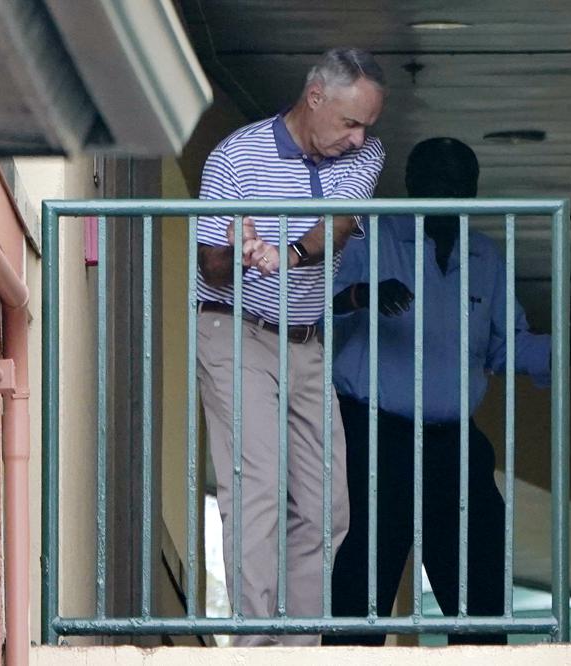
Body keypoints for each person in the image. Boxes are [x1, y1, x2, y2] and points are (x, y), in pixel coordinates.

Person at [323, 137, 551, 646]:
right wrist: (361, 294)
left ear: (474, 190)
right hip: (374, 438)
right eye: (437, 181)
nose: (448, 192)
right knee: (361, 589)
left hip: (453, 442)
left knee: (481, 591)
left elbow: (506, 346)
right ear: (412, 184)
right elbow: (311, 304)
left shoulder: (483, 254)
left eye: (459, 184)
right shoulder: (370, 235)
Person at [194, 48, 386, 646]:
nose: (358, 139)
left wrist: (287, 254)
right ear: (315, 97)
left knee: (329, 509)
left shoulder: (365, 155)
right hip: (235, 332)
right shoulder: (235, 157)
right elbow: (210, 267)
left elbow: (339, 224)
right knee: (256, 492)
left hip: (306, 342)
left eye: (366, 126)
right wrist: (239, 249)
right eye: (349, 123)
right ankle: (255, 650)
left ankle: (298, 650)